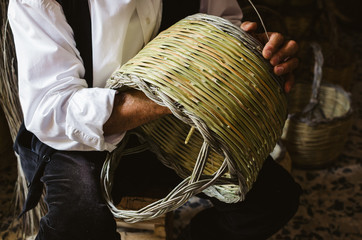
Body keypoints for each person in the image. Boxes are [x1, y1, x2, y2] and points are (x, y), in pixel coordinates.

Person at [8, 0, 301, 239]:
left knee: (274, 199)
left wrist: (251, 56)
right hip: (75, 138)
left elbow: (224, 29)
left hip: (178, 128)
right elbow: (53, 110)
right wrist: (176, 94)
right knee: (79, 224)